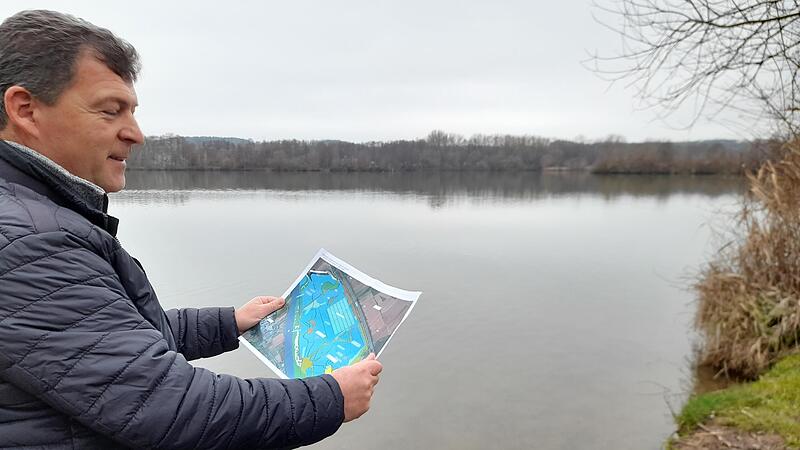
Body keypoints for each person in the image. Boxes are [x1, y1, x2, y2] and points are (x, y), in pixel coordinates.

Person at [0, 9, 383, 449]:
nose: (136, 134)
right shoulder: (28, 242)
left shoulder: (35, 216)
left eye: (133, 112)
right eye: (111, 111)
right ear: (25, 110)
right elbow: (169, 406)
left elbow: (115, 343)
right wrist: (330, 398)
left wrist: (231, 323)